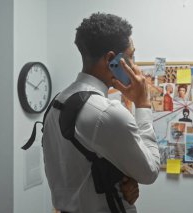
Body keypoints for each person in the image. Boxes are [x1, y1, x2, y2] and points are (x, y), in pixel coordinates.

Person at [42, 13, 160, 213]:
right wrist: (142, 104)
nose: (134, 65)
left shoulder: (57, 102)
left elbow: (80, 169)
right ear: (111, 60)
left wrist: (124, 179)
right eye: (130, 56)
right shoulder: (106, 112)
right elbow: (150, 171)